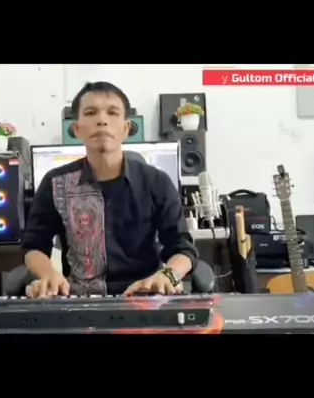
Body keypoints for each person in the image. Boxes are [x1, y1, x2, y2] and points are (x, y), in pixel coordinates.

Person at [22, 81, 199, 298]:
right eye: (91, 112)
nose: (102, 120)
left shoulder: (156, 182)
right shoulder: (55, 182)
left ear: (126, 129)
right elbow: (33, 246)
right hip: (80, 299)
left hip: (144, 295)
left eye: (112, 112)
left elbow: (183, 249)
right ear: (77, 129)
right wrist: (48, 274)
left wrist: (167, 275)